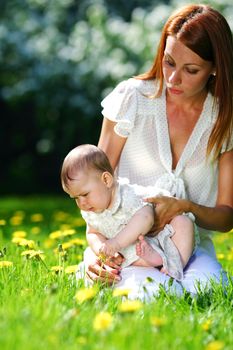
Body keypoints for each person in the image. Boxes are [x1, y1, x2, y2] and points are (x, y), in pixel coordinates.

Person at [82, 4, 233, 299]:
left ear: (215, 68)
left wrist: (184, 207)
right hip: (126, 246)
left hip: (187, 248)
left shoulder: (224, 119)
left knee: (211, 291)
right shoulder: (131, 100)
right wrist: (96, 250)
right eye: (169, 62)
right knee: (152, 295)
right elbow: (92, 191)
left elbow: (226, 217)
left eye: (191, 70)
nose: (174, 79)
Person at [61, 144, 197, 281]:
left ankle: (175, 267)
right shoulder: (91, 209)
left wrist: (116, 243)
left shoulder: (127, 195)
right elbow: (92, 233)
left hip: (164, 235)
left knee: (183, 223)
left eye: (85, 194)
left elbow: (146, 218)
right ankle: (154, 260)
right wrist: (102, 251)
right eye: (76, 198)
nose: (81, 203)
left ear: (106, 180)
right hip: (136, 250)